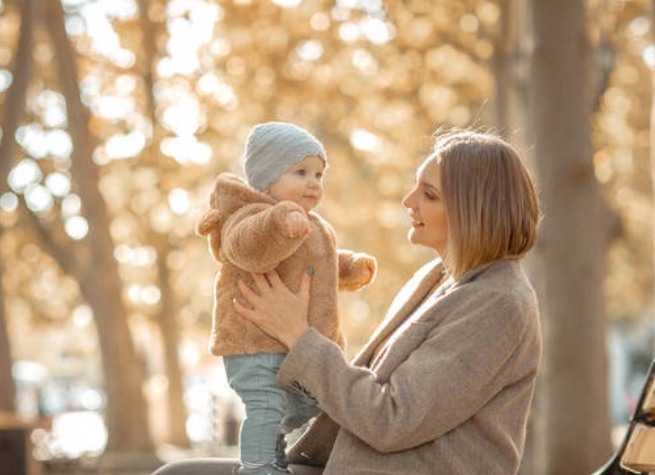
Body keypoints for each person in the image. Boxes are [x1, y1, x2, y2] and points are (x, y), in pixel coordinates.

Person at [154, 128, 541, 475]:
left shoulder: (500, 303)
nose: (409, 201)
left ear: (475, 208)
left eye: (429, 194)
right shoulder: (434, 280)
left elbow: (392, 418)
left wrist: (297, 333)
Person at [195, 121, 377, 475]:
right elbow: (249, 248)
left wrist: (350, 267)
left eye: (319, 174)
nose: (314, 182)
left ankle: (274, 449)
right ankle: (258, 467)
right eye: (301, 172)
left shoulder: (314, 224)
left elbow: (320, 263)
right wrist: (280, 223)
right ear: (269, 178)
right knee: (265, 405)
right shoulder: (247, 215)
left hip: (294, 346)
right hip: (255, 344)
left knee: (307, 403)